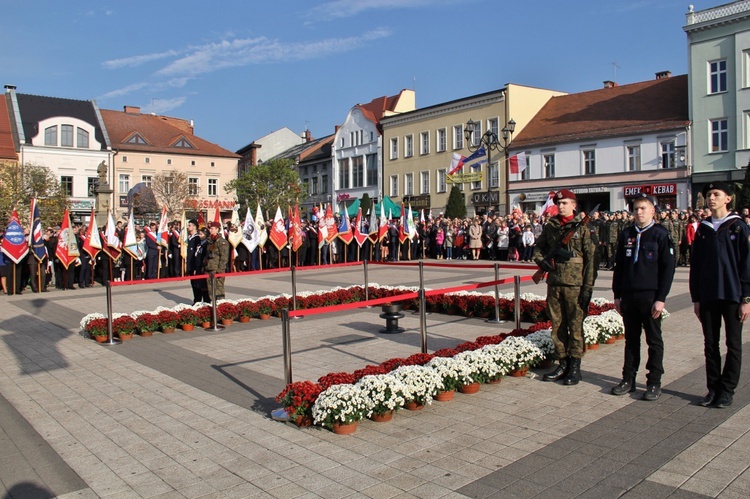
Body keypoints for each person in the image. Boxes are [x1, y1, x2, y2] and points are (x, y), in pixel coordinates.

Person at [690, 181, 750, 409]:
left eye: (716, 194)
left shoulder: (738, 226)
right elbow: (695, 266)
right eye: (708, 195)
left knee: (733, 344)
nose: (711, 198)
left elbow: (747, 265)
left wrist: (747, 298)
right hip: (707, 296)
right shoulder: (703, 228)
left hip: (733, 295)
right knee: (710, 344)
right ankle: (713, 387)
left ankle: (727, 390)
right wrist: (695, 298)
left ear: (728, 199)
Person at [611, 193, 676, 400]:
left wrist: (661, 298)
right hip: (629, 296)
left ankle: (654, 382)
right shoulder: (626, 234)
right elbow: (619, 266)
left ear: (652, 211)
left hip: (650, 297)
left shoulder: (660, 235)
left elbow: (668, 269)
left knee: (654, 341)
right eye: (636, 209)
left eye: (643, 208)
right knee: (631, 340)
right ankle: (628, 379)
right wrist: (617, 295)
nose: (638, 212)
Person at [533, 189, 596, 385]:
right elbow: (538, 247)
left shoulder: (583, 228)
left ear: (574, 205)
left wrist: (588, 288)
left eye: (565, 203)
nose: (561, 206)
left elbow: (591, 260)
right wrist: (541, 261)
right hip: (555, 283)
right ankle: (563, 362)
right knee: (557, 325)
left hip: (575, 285)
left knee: (575, 326)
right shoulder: (551, 225)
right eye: (558, 203)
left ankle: (575, 366)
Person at [203, 221, 230, 301]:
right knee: (210, 290)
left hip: (217, 269)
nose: (210, 230)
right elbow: (207, 255)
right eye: (210, 228)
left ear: (217, 229)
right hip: (209, 268)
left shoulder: (222, 242)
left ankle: (220, 307)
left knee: (218, 290)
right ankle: (213, 307)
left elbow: (224, 257)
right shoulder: (210, 241)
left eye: (212, 228)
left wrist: (220, 270)